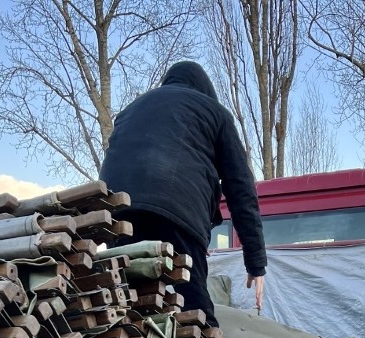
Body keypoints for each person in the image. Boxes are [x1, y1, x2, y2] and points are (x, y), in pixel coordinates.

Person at [99, 61, 267, 324]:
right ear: (205, 90)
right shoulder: (215, 113)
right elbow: (241, 190)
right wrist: (256, 263)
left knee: (126, 306)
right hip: (176, 214)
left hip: (115, 213)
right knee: (194, 312)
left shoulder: (130, 111)